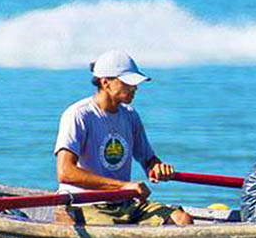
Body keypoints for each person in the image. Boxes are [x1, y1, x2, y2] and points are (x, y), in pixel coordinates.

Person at [55, 50, 193, 226]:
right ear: (105, 83)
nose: (135, 88)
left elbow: (149, 160)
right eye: (128, 83)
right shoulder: (78, 115)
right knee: (117, 230)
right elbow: (65, 172)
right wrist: (122, 186)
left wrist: (157, 167)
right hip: (84, 204)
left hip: (124, 202)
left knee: (183, 220)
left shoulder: (130, 115)